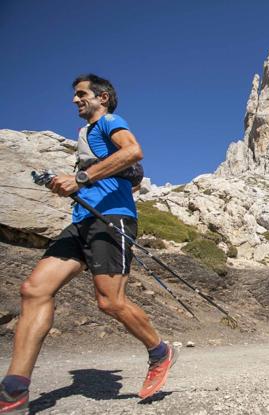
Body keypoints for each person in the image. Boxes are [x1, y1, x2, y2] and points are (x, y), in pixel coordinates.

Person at [0, 74, 175, 414]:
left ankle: (159, 351)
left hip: (112, 219)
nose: (75, 100)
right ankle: (14, 391)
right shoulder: (85, 135)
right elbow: (108, 175)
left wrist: (80, 177)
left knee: (110, 302)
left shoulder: (109, 121)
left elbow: (134, 152)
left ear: (103, 97)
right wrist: (66, 184)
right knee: (34, 290)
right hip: (81, 221)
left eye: (82, 94)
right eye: (75, 95)